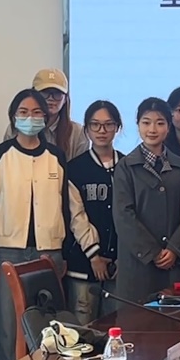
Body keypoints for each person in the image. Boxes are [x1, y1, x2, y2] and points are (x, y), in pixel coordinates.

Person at [0, 89, 100, 360]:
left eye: (37, 113)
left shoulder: (56, 157)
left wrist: (65, 253)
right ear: (13, 116)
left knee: (48, 331)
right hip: (8, 253)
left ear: (46, 118)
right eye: (23, 112)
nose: (30, 118)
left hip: (49, 253)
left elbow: (65, 208)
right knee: (9, 330)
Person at [113, 98, 180, 302]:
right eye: (146, 122)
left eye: (160, 123)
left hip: (174, 264)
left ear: (169, 127)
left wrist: (174, 248)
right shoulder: (125, 167)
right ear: (138, 125)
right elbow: (123, 216)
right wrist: (153, 252)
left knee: (174, 318)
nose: (152, 129)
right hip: (137, 266)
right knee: (136, 319)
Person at [64, 101, 121, 325]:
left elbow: (131, 216)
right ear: (86, 129)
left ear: (117, 127)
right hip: (83, 264)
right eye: (95, 125)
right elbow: (76, 216)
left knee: (116, 328)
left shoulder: (127, 166)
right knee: (82, 330)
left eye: (108, 124)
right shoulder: (75, 168)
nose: (102, 130)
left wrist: (122, 256)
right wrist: (94, 255)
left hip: (119, 266)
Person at [3, 69, 89, 162]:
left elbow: (80, 168)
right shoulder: (16, 128)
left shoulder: (77, 133)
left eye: (57, 94)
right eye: (45, 93)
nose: (51, 98)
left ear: (65, 99)